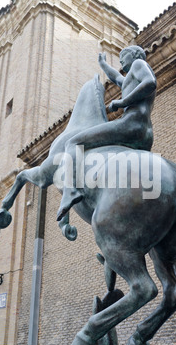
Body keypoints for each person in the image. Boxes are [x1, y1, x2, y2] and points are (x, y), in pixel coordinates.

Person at [56, 46, 157, 221]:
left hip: (131, 125)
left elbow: (150, 83)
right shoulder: (130, 77)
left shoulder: (139, 64)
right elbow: (117, 77)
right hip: (144, 133)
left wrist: (122, 101)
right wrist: (103, 64)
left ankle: (70, 191)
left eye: (123, 56)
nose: (120, 60)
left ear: (133, 55)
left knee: (73, 143)